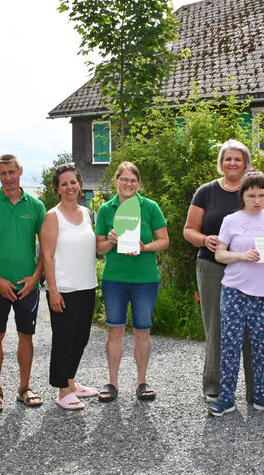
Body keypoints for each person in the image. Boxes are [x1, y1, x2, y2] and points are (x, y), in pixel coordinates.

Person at [183, 139, 264, 403]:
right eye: (228, 158)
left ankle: (259, 391)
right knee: (217, 329)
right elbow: (189, 230)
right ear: (221, 163)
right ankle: (216, 389)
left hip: (257, 268)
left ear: (246, 163)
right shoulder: (205, 192)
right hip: (213, 267)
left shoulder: (260, 189)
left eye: (237, 159)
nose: (232, 163)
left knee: (257, 332)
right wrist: (204, 239)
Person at [207, 171, 264, 416]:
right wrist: (242, 255)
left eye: (261, 195)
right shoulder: (231, 220)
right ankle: (226, 398)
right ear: (242, 195)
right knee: (230, 345)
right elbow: (220, 254)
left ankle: (262, 396)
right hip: (234, 290)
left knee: (262, 346)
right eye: (251, 195)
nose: (257, 200)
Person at [0, 154, 46, 412]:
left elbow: (46, 249)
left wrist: (36, 277)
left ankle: (24, 388)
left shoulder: (36, 206)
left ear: (20, 172)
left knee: (26, 337)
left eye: (12, 172)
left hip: (27, 285)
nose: (8, 178)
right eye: (3, 173)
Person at [95, 161, 169, 402]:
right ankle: (112, 382)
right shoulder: (107, 209)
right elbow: (99, 247)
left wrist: (144, 247)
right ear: (116, 180)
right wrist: (112, 241)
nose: (128, 184)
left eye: (133, 180)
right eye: (124, 179)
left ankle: (141, 381)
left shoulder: (150, 207)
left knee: (142, 331)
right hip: (115, 278)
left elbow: (164, 240)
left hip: (145, 279)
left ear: (139, 183)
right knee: (115, 330)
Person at [39, 163, 98, 410]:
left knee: (80, 338)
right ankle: (62, 391)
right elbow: (47, 256)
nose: (70, 187)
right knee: (64, 339)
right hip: (64, 288)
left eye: (73, 182)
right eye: (64, 184)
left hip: (87, 285)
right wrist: (53, 289)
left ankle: (72, 383)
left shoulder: (85, 213)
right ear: (57, 189)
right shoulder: (52, 216)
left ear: (79, 184)